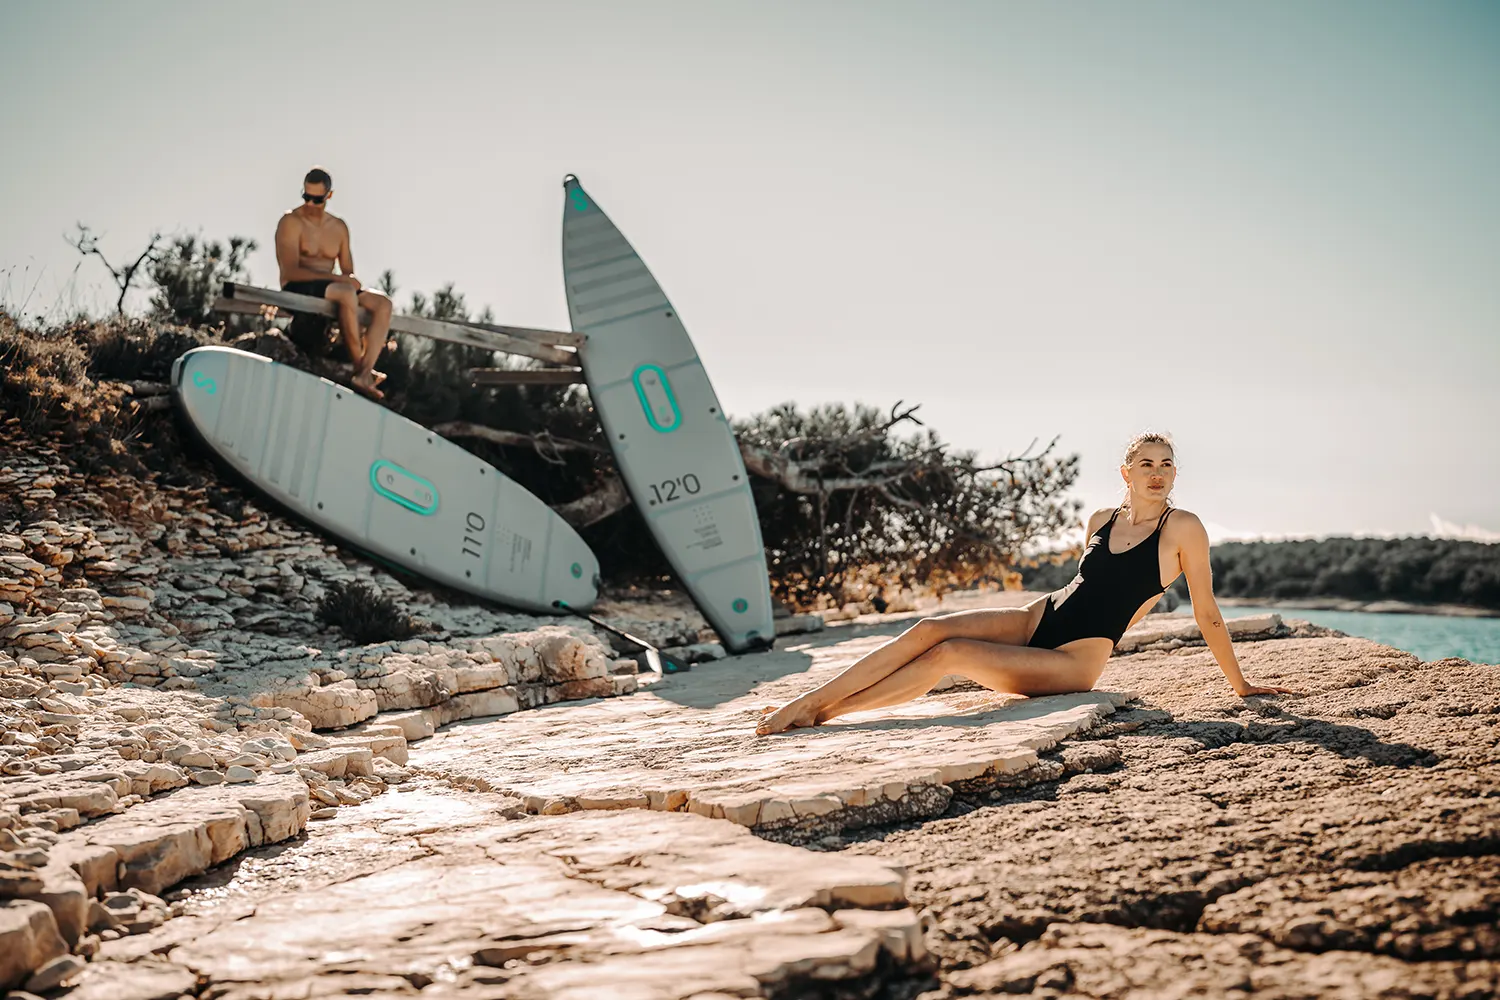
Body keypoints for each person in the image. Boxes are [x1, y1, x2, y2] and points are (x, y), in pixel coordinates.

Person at [756, 432, 1296, 735]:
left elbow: (1205, 611)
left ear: (1175, 474)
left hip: (1076, 658)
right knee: (928, 630)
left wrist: (1241, 685)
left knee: (950, 654)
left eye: (1167, 465)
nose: (1158, 472)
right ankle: (810, 699)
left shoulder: (1183, 528)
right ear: (1126, 472)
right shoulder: (1101, 519)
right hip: (1039, 617)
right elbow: (1087, 586)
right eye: (1146, 463)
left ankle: (826, 713)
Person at [274, 167, 394, 400]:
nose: (310, 204)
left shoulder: (338, 227)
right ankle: (360, 369)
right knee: (345, 293)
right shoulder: (291, 221)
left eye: (317, 199)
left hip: (333, 287)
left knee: (383, 304)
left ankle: (365, 370)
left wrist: (348, 280)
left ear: (328, 196)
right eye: (306, 197)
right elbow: (290, 271)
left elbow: (348, 271)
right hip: (298, 285)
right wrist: (340, 279)